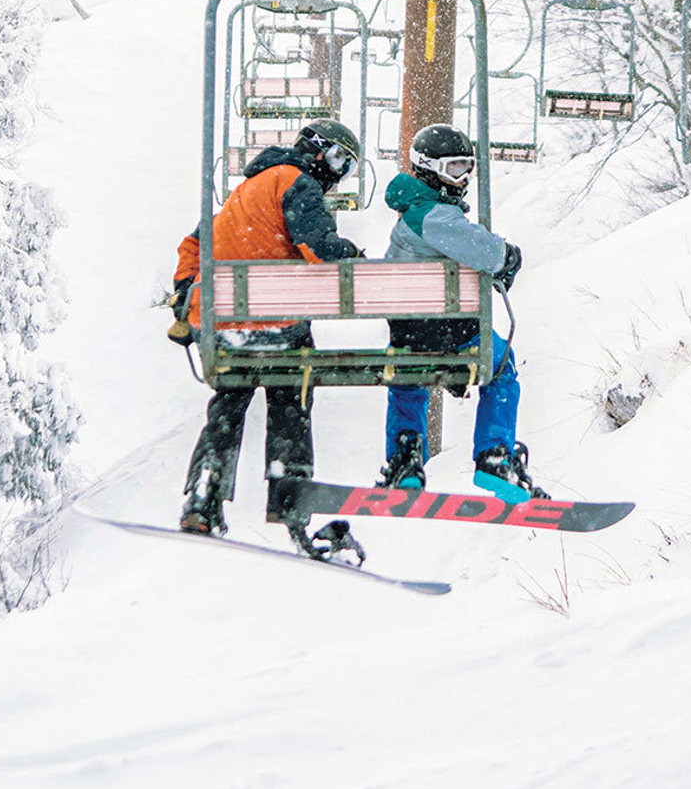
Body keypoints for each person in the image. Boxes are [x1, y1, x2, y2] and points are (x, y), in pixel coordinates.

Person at [170, 119, 363, 535]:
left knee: (228, 405)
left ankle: (204, 493)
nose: (338, 174)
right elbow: (320, 250)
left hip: (226, 329)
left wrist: (187, 296)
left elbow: (193, 245)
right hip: (278, 327)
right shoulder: (297, 183)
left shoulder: (246, 191)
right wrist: (355, 257)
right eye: (339, 161)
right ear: (317, 151)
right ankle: (288, 490)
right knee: (291, 393)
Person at [377, 123, 548, 503]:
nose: (463, 178)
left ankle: (406, 461)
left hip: (406, 336)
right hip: (448, 333)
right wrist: (508, 256)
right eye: (454, 169)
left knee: (408, 377)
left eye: (467, 168)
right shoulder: (432, 215)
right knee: (501, 366)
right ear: (429, 167)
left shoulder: (412, 213)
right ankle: (494, 456)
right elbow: (484, 250)